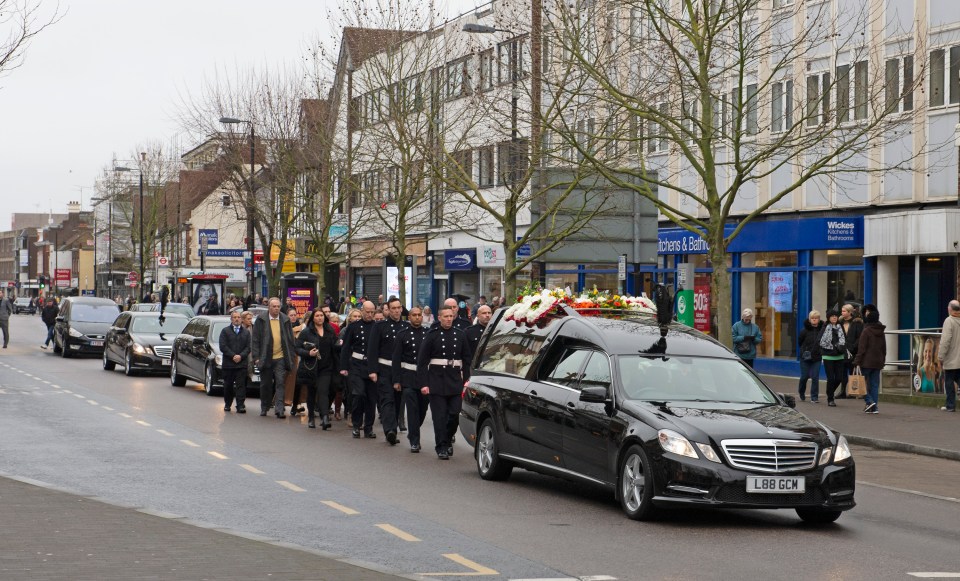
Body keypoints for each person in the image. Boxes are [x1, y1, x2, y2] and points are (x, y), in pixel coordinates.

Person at [417, 304, 472, 460]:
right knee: (439, 417)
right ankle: (441, 446)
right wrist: (424, 384)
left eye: (451, 316)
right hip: (436, 381)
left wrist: (466, 381)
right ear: (439, 317)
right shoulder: (432, 335)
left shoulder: (460, 335)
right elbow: (422, 362)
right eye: (445, 316)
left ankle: (447, 440)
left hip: (455, 381)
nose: (449, 319)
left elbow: (467, 360)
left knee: (454, 415)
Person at [365, 297, 408, 444]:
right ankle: (390, 430)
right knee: (387, 399)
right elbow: (372, 350)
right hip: (385, 369)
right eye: (393, 308)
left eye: (398, 307)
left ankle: (393, 427)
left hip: (402, 371)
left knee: (398, 401)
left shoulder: (406, 327)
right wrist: (372, 370)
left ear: (401, 309)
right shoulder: (380, 326)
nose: (396, 310)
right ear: (388, 310)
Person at [251, 297, 296, 418]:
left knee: (280, 383)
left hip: (280, 357)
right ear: (269, 307)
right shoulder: (261, 320)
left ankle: (279, 409)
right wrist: (256, 357)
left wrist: (291, 357)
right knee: (265, 384)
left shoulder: (285, 319)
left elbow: (290, 340)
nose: (276, 309)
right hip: (266, 357)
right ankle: (264, 407)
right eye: (274, 306)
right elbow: (255, 340)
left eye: (278, 306)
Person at [393, 306, 429, 453]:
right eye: (414, 315)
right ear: (409, 317)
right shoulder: (402, 334)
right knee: (412, 410)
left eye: (419, 315)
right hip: (408, 376)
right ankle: (414, 440)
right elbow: (396, 359)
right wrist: (396, 380)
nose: (417, 317)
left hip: (424, 378)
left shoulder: (428, 334)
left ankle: (414, 430)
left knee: (422, 409)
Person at [340, 301, 378, 438]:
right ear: (362, 311)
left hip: (372, 366)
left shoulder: (377, 327)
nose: (369, 314)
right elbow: (345, 348)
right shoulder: (354, 327)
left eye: (372, 312)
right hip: (356, 365)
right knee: (358, 394)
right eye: (367, 312)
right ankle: (356, 424)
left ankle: (368, 427)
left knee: (371, 399)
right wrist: (343, 367)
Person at [295, 307, 338, 429]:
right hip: (311, 367)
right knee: (312, 392)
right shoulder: (307, 332)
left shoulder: (329, 330)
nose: (320, 317)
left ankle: (324, 417)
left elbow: (335, 346)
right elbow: (297, 348)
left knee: (323, 390)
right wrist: (309, 353)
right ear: (313, 318)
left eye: (321, 315)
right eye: (317, 316)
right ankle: (311, 418)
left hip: (326, 366)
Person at [853, 303, 886, 414]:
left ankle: (869, 400)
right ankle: (874, 407)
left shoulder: (866, 331)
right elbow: (884, 347)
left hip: (866, 362)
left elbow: (861, 348)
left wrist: (857, 361)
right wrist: (883, 360)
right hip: (878, 361)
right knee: (874, 385)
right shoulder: (881, 331)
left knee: (861, 383)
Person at [219, 310, 251, 413]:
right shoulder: (225, 331)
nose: (237, 319)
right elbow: (223, 346)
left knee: (241, 385)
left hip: (241, 364)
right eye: (234, 317)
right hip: (229, 364)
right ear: (231, 319)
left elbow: (248, 347)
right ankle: (228, 404)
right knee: (228, 385)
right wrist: (233, 356)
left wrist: (240, 356)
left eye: (238, 317)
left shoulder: (246, 332)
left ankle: (240, 405)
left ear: (241, 319)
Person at [819, 309, 846, 406]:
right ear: (828, 318)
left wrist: (842, 348)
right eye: (832, 316)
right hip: (828, 356)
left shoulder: (840, 326)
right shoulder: (825, 327)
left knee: (839, 378)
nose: (834, 317)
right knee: (830, 378)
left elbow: (844, 339)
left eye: (836, 316)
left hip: (839, 356)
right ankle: (830, 399)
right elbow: (820, 341)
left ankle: (829, 392)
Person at [937, 300, 960, 412]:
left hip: (951, 357)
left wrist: (941, 355)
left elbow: (945, 340)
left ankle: (950, 405)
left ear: (950, 309)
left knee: (949, 381)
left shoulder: (949, 321)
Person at [798, 310, 824, 402]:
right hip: (805, 357)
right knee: (804, 376)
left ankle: (814, 397)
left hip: (816, 357)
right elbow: (800, 342)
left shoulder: (822, 330)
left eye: (816, 318)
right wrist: (805, 350)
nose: (814, 320)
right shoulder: (804, 331)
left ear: (819, 319)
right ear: (809, 319)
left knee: (815, 377)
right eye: (812, 318)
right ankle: (801, 392)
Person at [838, 304, 863, 399]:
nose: (842, 313)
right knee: (842, 372)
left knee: (852, 371)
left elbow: (860, 337)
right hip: (842, 351)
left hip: (853, 351)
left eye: (844, 311)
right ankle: (842, 391)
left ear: (850, 312)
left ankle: (853, 392)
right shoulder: (839, 322)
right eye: (842, 311)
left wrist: (852, 347)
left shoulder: (857, 323)